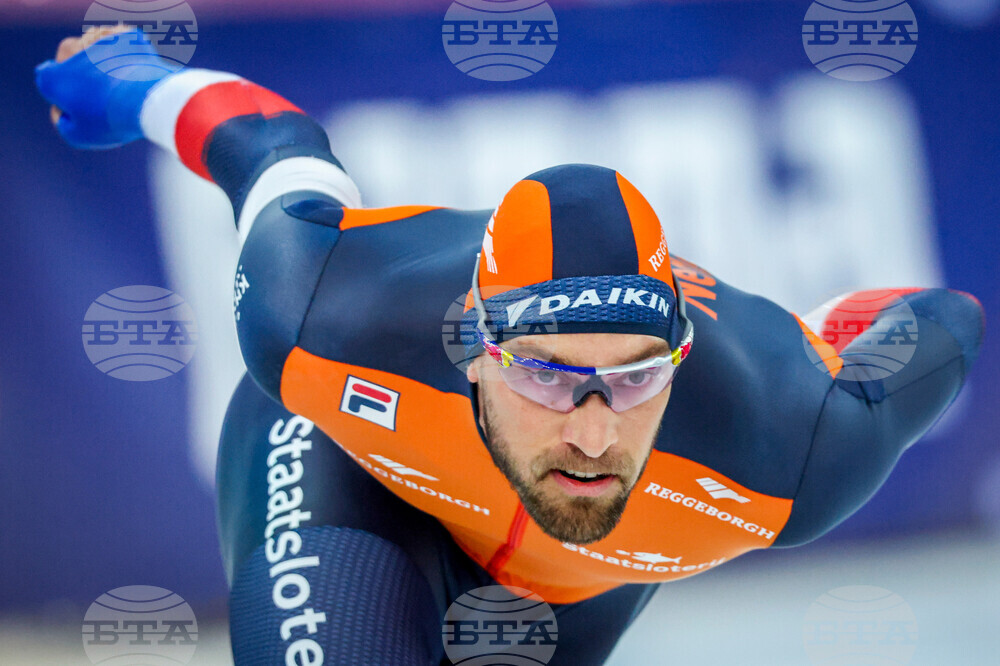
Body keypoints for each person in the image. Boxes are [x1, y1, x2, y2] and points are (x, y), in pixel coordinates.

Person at [36, 27, 984, 666]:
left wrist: (828, 334)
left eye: (634, 378)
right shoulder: (324, 313)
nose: (594, 434)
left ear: (680, 357)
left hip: (562, 591)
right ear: (476, 347)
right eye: (547, 375)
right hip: (352, 467)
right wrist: (131, 79)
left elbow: (946, 321)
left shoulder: (797, 446)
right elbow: (269, 146)